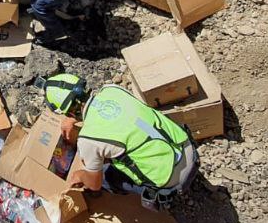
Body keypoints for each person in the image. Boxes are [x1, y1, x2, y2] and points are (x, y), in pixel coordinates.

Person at [45, 73, 199, 211]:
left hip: (171, 178)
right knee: (138, 129)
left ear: (68, 111)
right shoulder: (112, 90)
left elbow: (94, 184)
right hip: (185, 147)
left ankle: (156, 192)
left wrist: (81, 175)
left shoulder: (88, 139)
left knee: (104, 174)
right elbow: (117, 116)